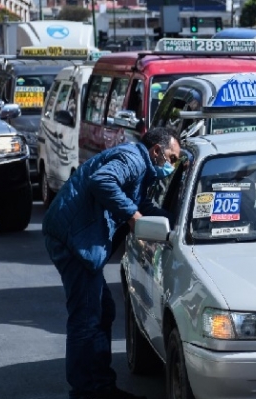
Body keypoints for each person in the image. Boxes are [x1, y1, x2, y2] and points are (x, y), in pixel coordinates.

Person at [42, 127, 182, 399]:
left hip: (75, 238)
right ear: (156, 151)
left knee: (102, 310)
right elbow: (102, 181)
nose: (172, 165)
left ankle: (99, 384)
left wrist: (176, 224)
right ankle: (88, 391)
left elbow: (143, 205)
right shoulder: (134, 159)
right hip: (71, 239)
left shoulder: (143, 168)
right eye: (172, 158)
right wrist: (133, 217)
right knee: (87, 317)